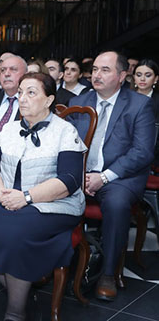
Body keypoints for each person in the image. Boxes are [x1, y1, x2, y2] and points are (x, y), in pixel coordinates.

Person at [0, 72, 87, 321]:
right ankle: (23, 292)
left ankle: (15, 312)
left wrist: (26, 197)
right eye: (20, 92)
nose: (22, 98)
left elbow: (70, 181)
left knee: (16, 234)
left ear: (49, 100)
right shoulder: (9, 129)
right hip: (6, 195)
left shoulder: (65, 131)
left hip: (52, 203)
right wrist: (1, 193)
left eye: (31, 92)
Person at [69, 51, 155, 301]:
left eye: (105, 70)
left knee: (116, 204)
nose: (97, 75)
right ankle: (53, 259)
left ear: (122, 75)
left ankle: (108, 273)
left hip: (120, 177)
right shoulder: (80, 102)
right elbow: (67, 143)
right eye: (95, 69)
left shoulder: (139, 104)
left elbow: (142, 151)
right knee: (49, 189)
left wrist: (104, 177)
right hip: (83, 174)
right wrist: (79, 175)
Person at [0, 55, 28, 159]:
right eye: (3, 70)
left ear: (26, 75)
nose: (7, 74)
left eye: (13, 69)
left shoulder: (31, 104)